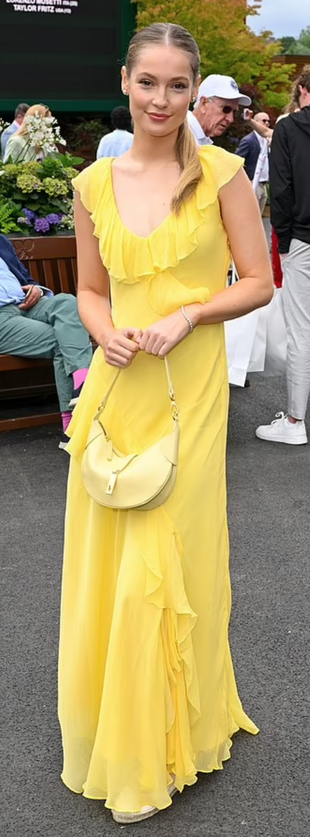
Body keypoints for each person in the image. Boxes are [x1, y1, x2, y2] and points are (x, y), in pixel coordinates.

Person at [58, 23, 272, 824]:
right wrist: (100, 327)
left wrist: (188, 316)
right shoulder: (92, 183)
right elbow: (89, 288)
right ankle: (124, 731)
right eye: (148, 82)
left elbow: (256, 281)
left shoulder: (221, 173)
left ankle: (168, 737)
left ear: (195, 93)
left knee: (169, 549)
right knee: (113, 552)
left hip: (189, 381)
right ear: (125, 81)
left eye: (178, 86)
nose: (161, 99)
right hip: (120, 383)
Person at [256, 66, 310, 445]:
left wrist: (285, 242)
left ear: (303, 90)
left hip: (304, 240)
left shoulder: (288, 130)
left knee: (302, 331)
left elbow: (282, 191)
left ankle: (294, 420)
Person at [0, 234, 92, 449]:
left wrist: (37, 289)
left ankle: (81, 385)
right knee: (63, 339)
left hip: (28, 304)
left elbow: (25, 279)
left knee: (67, 302)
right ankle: (74, 417)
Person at [187, 74, 251, 145]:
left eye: (234, 112)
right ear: (204, 104)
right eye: (226, 109)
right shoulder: (179, 134)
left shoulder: (199, 138)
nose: (230, 119)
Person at [236, 112, 271, 215]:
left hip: (264, 185)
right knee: (250, 216)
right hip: (253, 183)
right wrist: (246, 180)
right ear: (255, 122)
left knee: (258, 217)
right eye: (264, 121)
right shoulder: (248, 140)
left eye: (269, 121)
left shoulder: (266, 140)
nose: (267, 123)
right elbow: (237, 160)